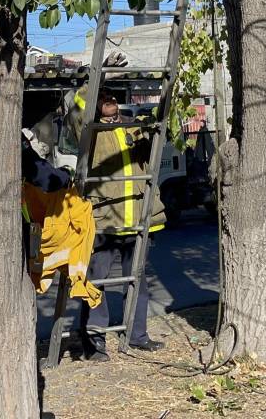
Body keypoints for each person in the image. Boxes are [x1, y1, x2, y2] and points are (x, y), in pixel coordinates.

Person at [78, 91, 166, 361]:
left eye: (113, 97)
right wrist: (95, 85)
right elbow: (78, 107)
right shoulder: (89, 129)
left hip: (137, 220)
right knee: (95, 283)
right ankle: (94, 343)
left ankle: (137, 336)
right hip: (105, 221)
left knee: (137, 281)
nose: (110, 101)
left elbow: (152, 151)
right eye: (102, 97)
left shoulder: (133, 126)